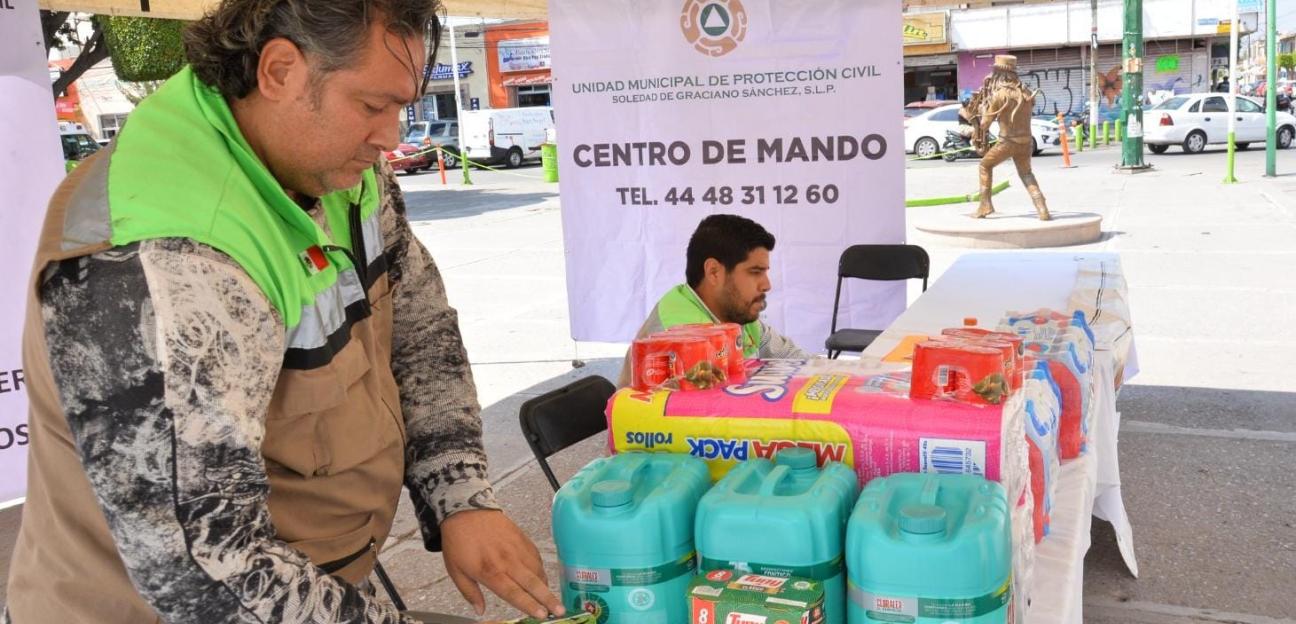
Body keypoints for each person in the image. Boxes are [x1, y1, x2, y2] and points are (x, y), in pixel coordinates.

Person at [5, 2, 563, 623]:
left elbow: (418, 328)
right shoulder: (162, 255)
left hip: (310, 585)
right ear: (278, 71)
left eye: (400, 106)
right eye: (373, 106)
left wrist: (459, 494)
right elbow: (210, 573)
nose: (393, 137)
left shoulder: (340, 167)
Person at [618, 214, 810, 387]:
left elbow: (797, 361)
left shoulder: (735, 313)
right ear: (714, 272)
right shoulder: (676, 338)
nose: (766, 285)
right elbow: (708, 417)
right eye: (755, 272)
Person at [969, 55, 1051, 221]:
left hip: (1007, 142)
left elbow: (984, 124)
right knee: (1026, 174)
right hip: (1026, 142)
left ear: (998, 73)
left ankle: (985, 205)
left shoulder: (999, 95)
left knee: (984, 166)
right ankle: (1042, 208)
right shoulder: (1026, 92)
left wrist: (979, 116)